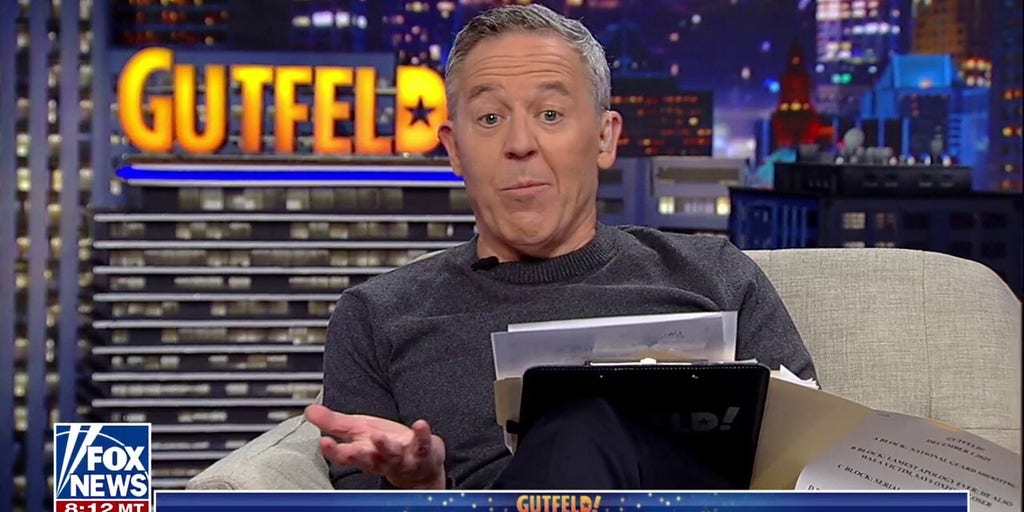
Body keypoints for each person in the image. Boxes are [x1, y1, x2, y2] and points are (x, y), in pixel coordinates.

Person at [304, 3, 816, 491]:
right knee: (575, 423)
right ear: (454, 149)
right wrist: (425, 489)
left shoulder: (716, 278)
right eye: (489, 118)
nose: (520, 144)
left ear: (604, 138)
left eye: (550, 114)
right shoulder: (377, 318)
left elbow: (817, 467)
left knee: (585, 420)